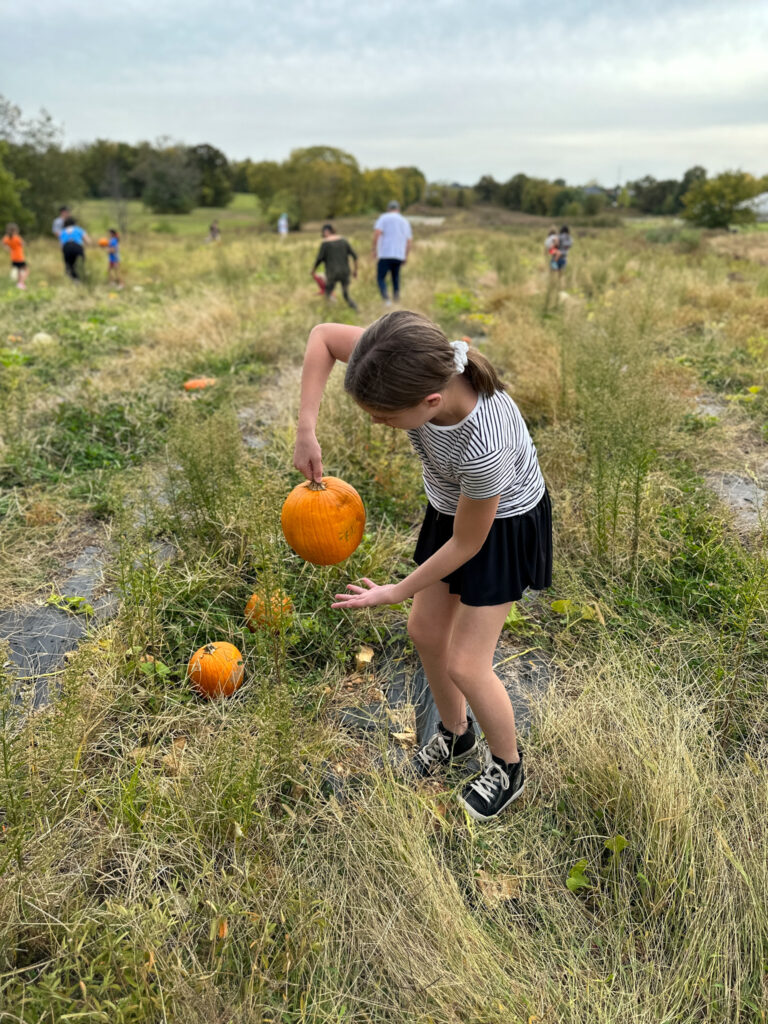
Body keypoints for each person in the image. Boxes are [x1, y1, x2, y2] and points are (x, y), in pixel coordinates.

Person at [293, 311, 552, 821]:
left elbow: (467, 545)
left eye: (385, 417)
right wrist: (306, 429)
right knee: (426, 632)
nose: (376, 422)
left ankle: (508, 768)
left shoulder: (484, 445)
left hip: (499, 528)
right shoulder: (408, 356)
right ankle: (455, 735)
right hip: (454, 509)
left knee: (466, 663)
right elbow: (323, 337)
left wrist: (393, 590)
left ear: (431, 403)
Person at [372, 200, 412, 304]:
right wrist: (406, 256)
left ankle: (386, 299)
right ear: (398, 209)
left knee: (380, 278)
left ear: (388, 208)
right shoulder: (404, 221)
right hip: (399, 254)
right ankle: (396, 299)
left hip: (385, 253)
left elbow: (377, 233)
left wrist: (374, 250)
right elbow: (409, 241)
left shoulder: (383, 218)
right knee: (395, 278)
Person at [311, 223, 358, 311]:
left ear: (326, 231)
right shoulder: (344, 240)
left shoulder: (325, 243)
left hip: (332, 273)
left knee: (328, 293)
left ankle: (329, 312)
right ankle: (356, 309)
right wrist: (355, 271)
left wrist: (313, 270)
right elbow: (355, 256)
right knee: (346, 295)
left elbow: (319, 259)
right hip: (345, 272)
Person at [59, 215, 91, 281]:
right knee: (80, 264)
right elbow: (88, 241)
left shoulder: (63, 231)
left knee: (69, 265)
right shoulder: (78, 229)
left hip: (67, 247)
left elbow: (61, 245)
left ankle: (74, 280)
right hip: (77, 247)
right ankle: (82, 278)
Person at [2, 223, 29, 290]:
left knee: (19, 271)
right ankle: (21, 283)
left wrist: (7, 248)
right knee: (26, 270)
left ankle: (19, 283)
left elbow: (2, 243)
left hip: (13, 257)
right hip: (19, 257)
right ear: (15, 231)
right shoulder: (17, 238)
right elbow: (23, 244)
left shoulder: (6, 238)